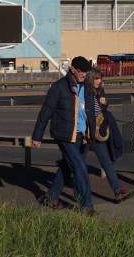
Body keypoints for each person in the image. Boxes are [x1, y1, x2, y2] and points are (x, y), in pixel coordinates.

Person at [32, 56, 94, 214]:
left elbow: (90, 111)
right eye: (81, 71)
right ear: (72, 69)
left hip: (82, 135)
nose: (84, 75)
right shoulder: (59, 87)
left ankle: (51, 197)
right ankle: (86, 206)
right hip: (65, 135)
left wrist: (91, 133)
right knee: (80, 169)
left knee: (66, 168)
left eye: (86, 72)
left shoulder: (86, 86)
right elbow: (45, 112)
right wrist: (37, 136)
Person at [85, 69, 134, 204]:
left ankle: (117, 191)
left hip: (98, 132)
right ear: (90, 79)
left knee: (106, 161)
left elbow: (103, 110)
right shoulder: (85, 92)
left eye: (100, 78)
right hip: (86, 133)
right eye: (96, 79)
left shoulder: (99, 91)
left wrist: (105, 104)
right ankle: (54, 194)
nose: (98, 81)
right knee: (71, 165)